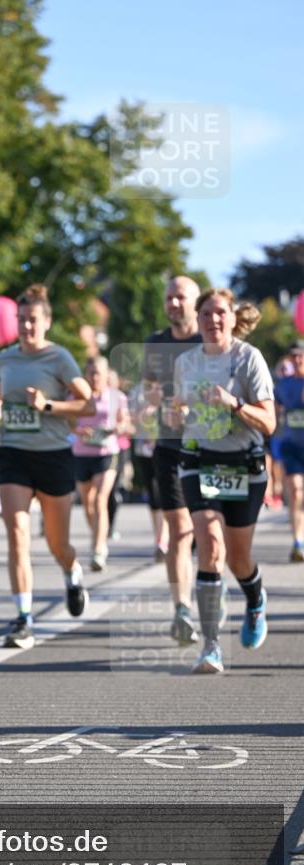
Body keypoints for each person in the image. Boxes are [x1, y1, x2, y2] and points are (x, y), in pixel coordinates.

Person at [0, 283, 95, 649]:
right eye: (22, 320)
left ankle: (72, 572)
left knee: (56, 542)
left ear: (46, 322)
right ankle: (23, 618)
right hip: (13, 451)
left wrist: (48, 406)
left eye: (33, 320)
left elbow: (88, 404)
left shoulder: (59, 358)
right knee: (17, 534)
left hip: (52, 455)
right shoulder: (4, 359)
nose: (27, 327)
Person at [173, 288, 275, 674]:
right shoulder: (185, 362)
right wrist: (170, 415)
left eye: (220, 314)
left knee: (238, 557)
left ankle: (255, 599)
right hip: (200, 461)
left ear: (233, 319)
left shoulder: (249, 359)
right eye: (206, 315)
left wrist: (233, 404)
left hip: (243, 466)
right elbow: (180, 410)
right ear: (196, 321)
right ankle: (211, 645)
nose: (213, 321)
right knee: (210, 547)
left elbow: (269, 422)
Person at [142, 275, 202, 644]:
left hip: (211, 449)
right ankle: (182, 609)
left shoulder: (210, 341)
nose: (174, 303)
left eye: (180, 297)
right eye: (169, 298)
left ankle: (211, 582)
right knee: (180, 530)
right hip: (169, 447)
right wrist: (155, 400)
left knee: (211, 533)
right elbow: (150, 391)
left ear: (194, 301)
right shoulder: (155, 343)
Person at [72, 357, 130, 571]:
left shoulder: (117, 397)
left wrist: (118, 426)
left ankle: (98, 549)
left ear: (107, 375)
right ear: (85, 375)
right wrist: (78, 431)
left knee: (99, 500)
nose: (95, 377)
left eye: (99, 373)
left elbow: (125, 423)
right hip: (81, 452)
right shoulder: (76, 396)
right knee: (87, 503)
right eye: (91, 373)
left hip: (106, 452)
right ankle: (99, 533)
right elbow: (66, 423)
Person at [128, 380, 169, 562]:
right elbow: (129, 420)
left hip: (167, 450)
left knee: (166, 494)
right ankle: (159, 538)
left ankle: (165, 539)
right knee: (153, 494)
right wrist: (144, 413)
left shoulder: (170, 386)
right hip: (144, 450)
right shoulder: (137, 391)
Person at [274, 341, 304, 561]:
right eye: (293, 356)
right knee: (294, 491)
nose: (297, 360)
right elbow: (274, 412)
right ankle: (297, 542)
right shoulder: (282, 385)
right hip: (291, 445)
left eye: (301, 356)